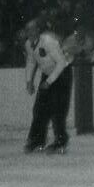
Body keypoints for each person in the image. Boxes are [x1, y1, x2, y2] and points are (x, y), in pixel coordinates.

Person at [23, 18, 73, 154]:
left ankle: (60, 141)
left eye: (32, 29)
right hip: (48, 74)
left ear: (38, 30)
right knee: (39, 108)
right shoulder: (28, 44)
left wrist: (49, 82)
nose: (30, 32)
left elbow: (61, 63)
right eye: (27, 30)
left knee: (58, 109)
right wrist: (29, 81)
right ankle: (37, 140)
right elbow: (31, 61)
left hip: (62, 74)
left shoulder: (48, 42)